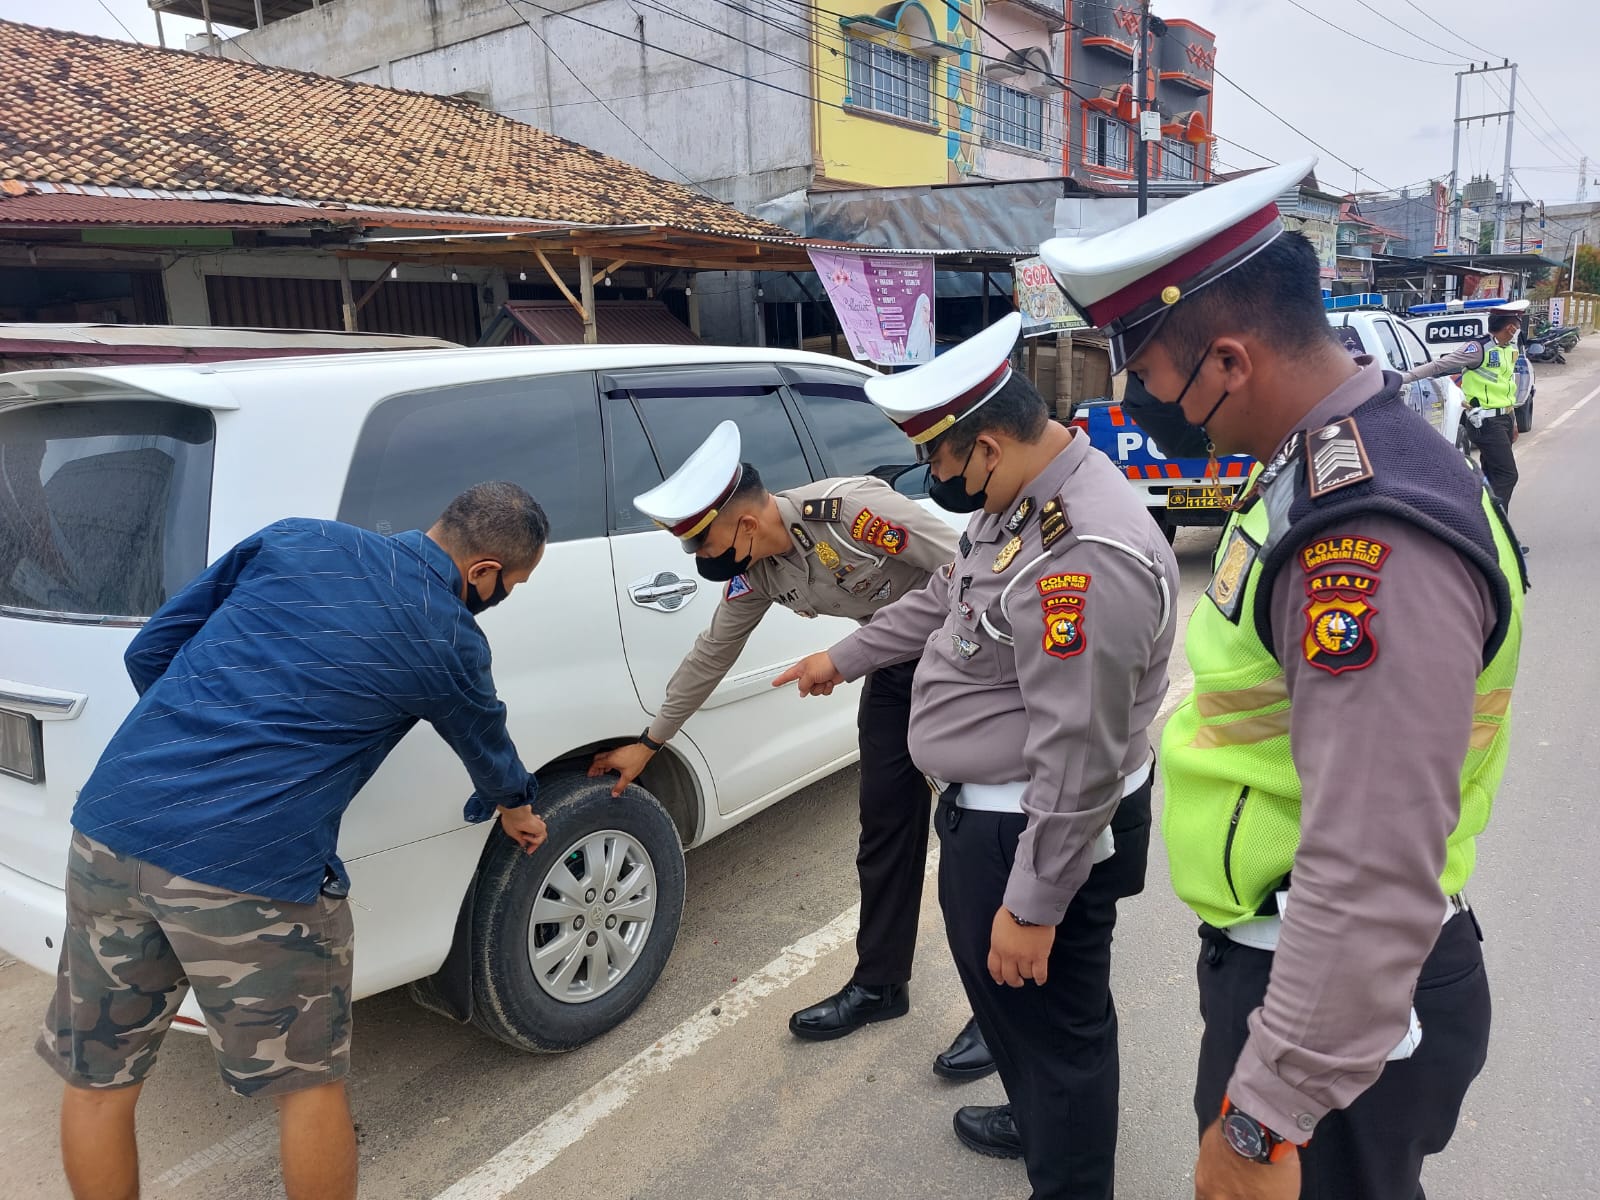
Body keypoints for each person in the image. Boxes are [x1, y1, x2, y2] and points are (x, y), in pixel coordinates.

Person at [1040, 157, 1527, 1200]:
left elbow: (1370, 859)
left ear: (1227, 359)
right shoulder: (1329, 464)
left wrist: (1265, 1115)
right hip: (1314, 983)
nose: (1143, 403)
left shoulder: (1366, 532)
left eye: (1148, 376)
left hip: (1332, 1009)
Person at [37, 482, 553, 1200]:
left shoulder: (297, 538)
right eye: (513, 586)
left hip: (112, 826)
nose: (503, 597)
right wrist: (518, 807)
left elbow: (151, 649)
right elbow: (488, 746)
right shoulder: (448, 634)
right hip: (249, 867)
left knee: (99, 1079)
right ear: (486, 573)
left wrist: (204, 733)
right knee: (306, 1087)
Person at [776, 312, 1179, 1199]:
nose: (945, 483)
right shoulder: (1025, 505)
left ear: (990, 448)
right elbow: (946, 603)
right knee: (1039, 1023)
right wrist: (840, 659)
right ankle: (1036, 1113)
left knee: (1058, 1025)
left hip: (1030, 830)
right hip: (997, 818)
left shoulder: (1081, 552)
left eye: (950, 466)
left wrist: (1032, 904)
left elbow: (1083, 754)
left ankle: (1066, 1170)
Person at [589, 421, 996, 1079]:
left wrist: (852, 656)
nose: (705, 557)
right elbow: (713, 651)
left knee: (976, 838)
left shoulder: (854, 514)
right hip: (890, 669)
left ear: (746, 523)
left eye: (708, 541)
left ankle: (1003, 1011)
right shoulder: (760, 566)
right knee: (885, 830)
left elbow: (968, 573)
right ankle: (880, 985)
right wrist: (650, 742)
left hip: (960, 664)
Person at [1402, 300, 1527, 513]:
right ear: (1510, 327)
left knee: (1492, 475)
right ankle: (1496, 529)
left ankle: (1483, 524)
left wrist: (1513, 420)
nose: (1517, 329)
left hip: (1504, 419)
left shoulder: (1509, 349)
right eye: (1517, 323)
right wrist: (1404, 378)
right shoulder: (1478, 348)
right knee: (1508, 475)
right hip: (1486, 422)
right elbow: (1440, 364)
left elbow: (1507, 386)